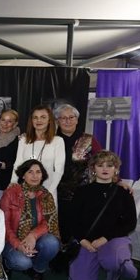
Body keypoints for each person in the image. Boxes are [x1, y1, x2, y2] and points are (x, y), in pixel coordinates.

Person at [68, 151, 137, 280]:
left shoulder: (124, 193)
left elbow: (130, 222)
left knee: (116, 261)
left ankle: (114, 274)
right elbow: (72, 219)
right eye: (100, 165)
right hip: (88, 242)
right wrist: (83, 240)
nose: (105, 169)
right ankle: (98, 261)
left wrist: (105, 238)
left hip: (113, 239)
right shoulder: (82, 192)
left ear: (116, 169)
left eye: (110, 165)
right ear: (93, 169)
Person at [1, 159, 61, 280]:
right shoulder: (11, 193)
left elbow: (48, 222)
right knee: (23, 263)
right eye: (30, 172)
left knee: (52, 243)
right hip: (11, 241)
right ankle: (7, 263)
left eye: (38, 172)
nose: (35, 176)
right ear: (23, 175)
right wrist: (18, 245)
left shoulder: (46, 195)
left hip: (36, 239)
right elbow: (4, 225)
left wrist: (33, 235)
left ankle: (38, 270)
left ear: (42, 175)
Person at [54, 103, 102, 245]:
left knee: (80, 228)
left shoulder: (88, 139)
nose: (67, 121)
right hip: (56, 191)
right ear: (57, 121)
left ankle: (78, 256)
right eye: (63, 118)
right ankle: (60, 255)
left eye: (71, 117)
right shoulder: (51, 140)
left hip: (82, 192)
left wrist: (117, 181)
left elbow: (102, 161)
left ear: (77, 119)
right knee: (59, 228)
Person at [10, 105, 65, 203]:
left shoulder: (58, 141)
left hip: (48, 190)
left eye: (43, 117)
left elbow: (59, 170)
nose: (39, 120)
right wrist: (13, 182)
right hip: (25, 190)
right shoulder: (23, 140)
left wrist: (49, 192)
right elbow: (18, 163)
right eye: (35, 117)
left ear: (49, 120)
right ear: (31, 121)